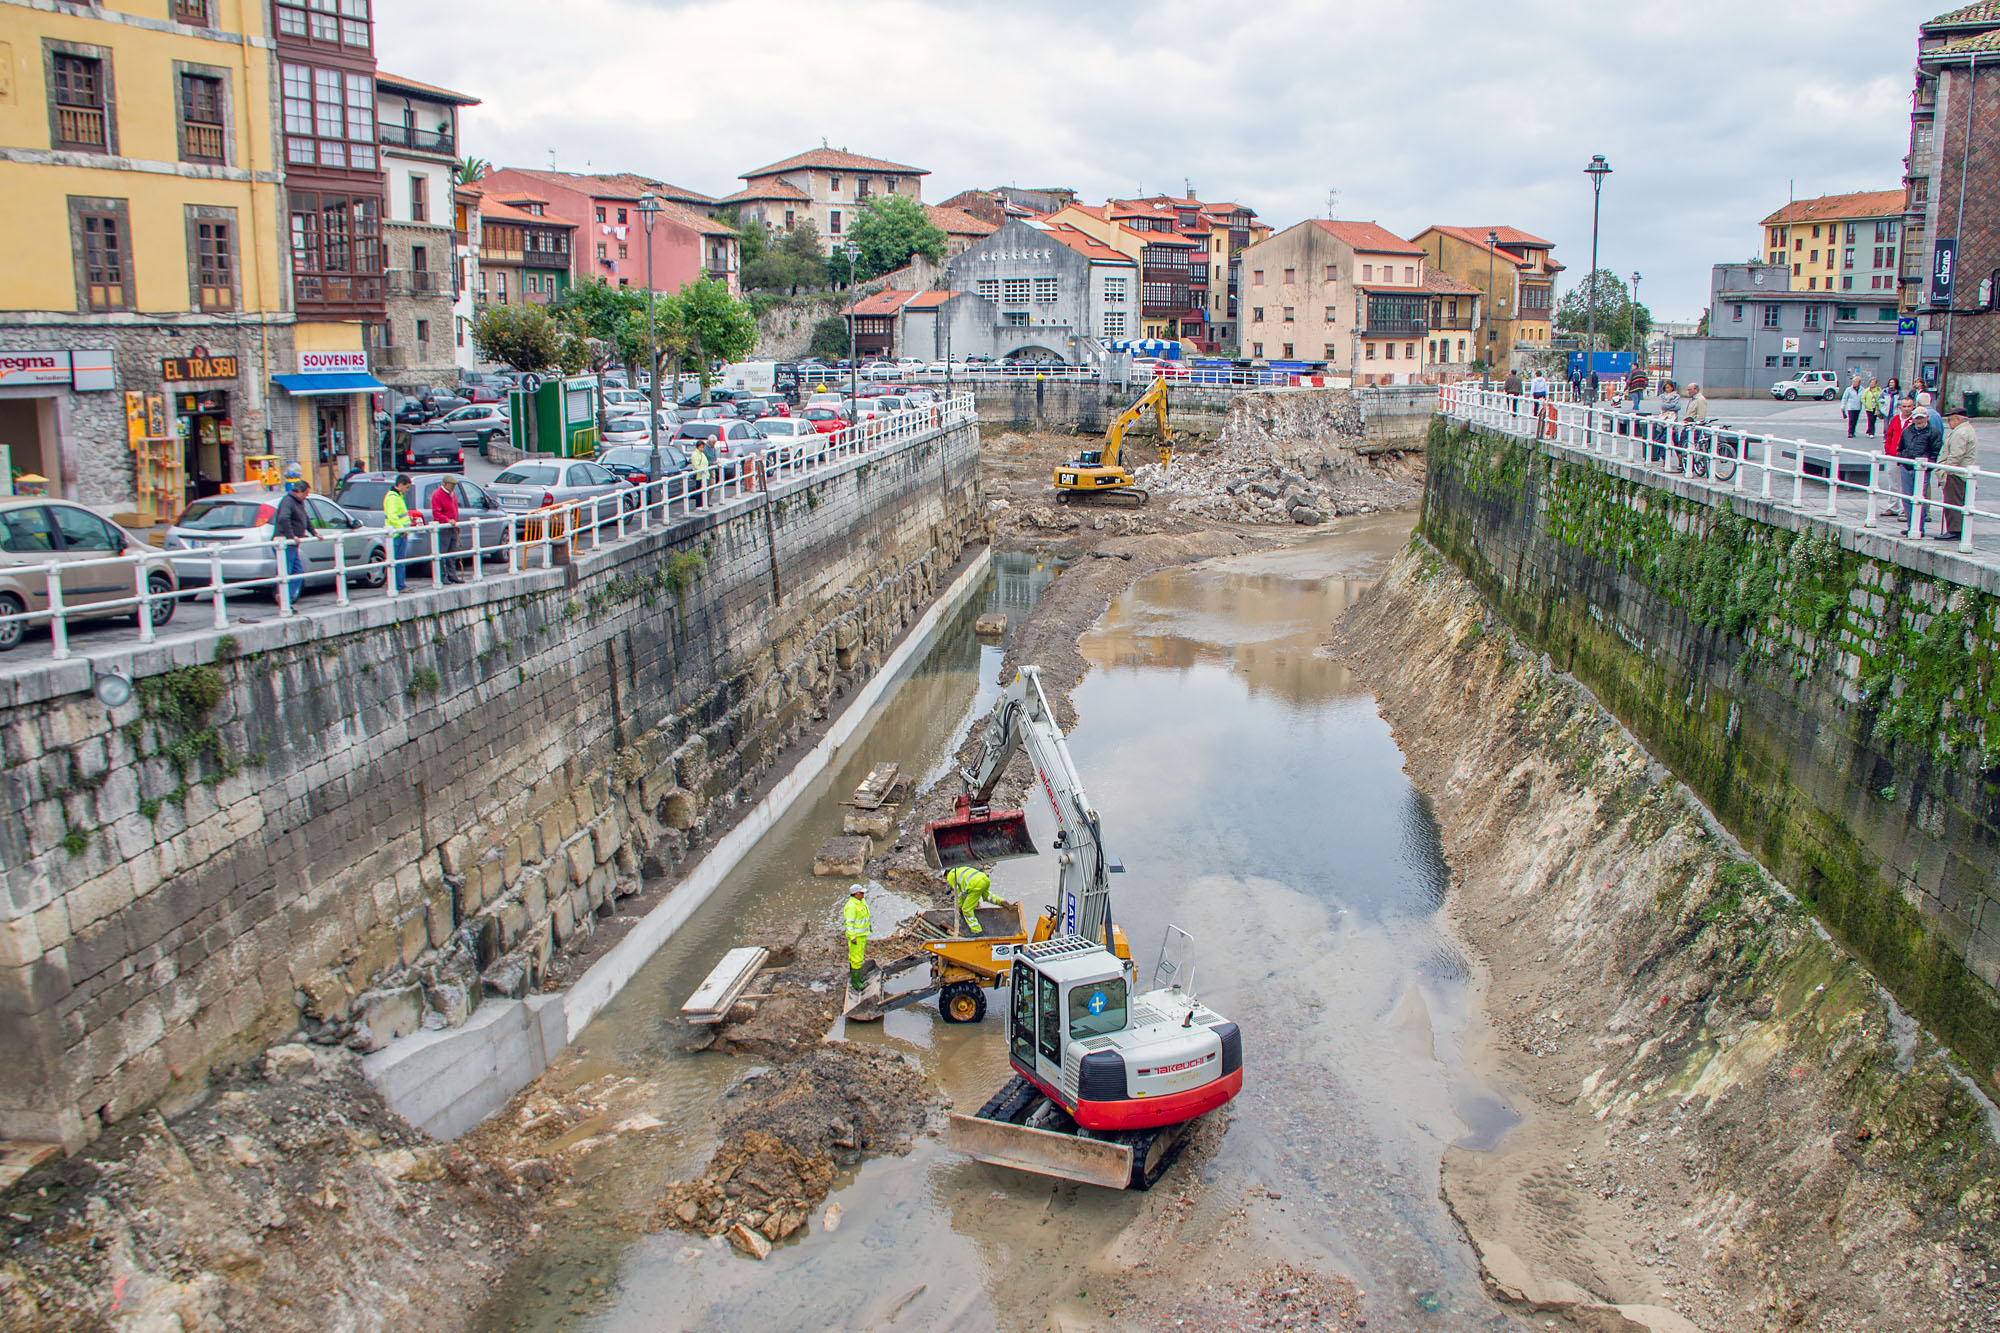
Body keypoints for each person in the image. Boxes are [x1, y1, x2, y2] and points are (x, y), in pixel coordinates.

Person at [1897, 395, 1942, 535]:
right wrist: (1902, 460)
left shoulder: (1933, 432)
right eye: (1917, 417)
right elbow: (1900, 447)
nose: (1920, 420)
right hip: (1907, 467)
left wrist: (1929, 465)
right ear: (1913, 418)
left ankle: (1919, 527)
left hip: (1922, 469)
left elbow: (1935, 450)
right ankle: (1911, 525)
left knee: (1920, 498)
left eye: (1922, 417)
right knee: (1907, 497)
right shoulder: (1907, 431)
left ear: (1927, 418)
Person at [1937, 407, 1978, 541]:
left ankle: (1955, 530)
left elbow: (1956, 455)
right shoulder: (1966, 430)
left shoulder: (1961, 432)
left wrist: (1946, 470)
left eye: (1950, 420)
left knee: (1953, 501)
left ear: (1957, 419)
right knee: (1957, 500)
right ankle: (1956, 529)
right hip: (1960, 472)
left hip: (1956, 473)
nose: (1949, 423)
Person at [273, 477, 314, 607]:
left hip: (293, 543)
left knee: (298, 571)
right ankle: (283, 598)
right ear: (299, 491)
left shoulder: (299, 502)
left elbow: (305, 518)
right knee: (287, 571)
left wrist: (314, 532)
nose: (306, 496)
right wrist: (291, 536)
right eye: (306, 493)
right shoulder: (288, 501)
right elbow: (283, 518)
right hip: (286, 542)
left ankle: (287, 598)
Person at [945, 863, 1004, 937]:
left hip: (975, 884)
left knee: (966, 909)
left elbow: (958, 893)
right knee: (987, 896)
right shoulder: (960, 869)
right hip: (984, 879)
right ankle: (1002, 902)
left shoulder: (950, 875)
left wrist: (960, 906)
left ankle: (977, 931)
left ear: (946, 873)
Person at [382, 473, 416, 591]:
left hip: (399, 533)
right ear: (400, 485)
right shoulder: (393, 498)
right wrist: (401, 528)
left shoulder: (396, 496)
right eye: (406, 487)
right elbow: (392, 516)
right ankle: (399, 585)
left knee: (397, 560)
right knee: (398, 560)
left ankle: (398, 584)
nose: (407, 490)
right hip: (397, 534)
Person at [431, 474, 464, 584]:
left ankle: (452, 575)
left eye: (454, 486)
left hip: (452, 527)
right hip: (444, 528)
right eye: (451, 485)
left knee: (452, 552)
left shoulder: (452, 494)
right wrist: (447, 520)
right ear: (444, 484)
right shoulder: (438, 495)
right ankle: (443, 576)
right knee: (443, 553)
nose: (453, 487)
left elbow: (454, 510)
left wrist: (455, 523)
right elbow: (436, 513)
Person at [1883, 394, 1910, 519]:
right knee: (1893, 481)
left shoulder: (1913, 421)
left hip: (1906, 456)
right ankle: (1893, 506)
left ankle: (1905, 508)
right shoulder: (1895, 419)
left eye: (1909, 406)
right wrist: (1888, 450)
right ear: (1900, 407)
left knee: (1906, 483)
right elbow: (1889, 435)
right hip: (1893, 454)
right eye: (1904, 406)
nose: (1906, 409)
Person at [842, 884, 871, 993]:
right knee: (856, 959)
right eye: (861, 893)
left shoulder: (860, 902)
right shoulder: (851, 906)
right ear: (855, 894)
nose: (863, 894)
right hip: (856, 937)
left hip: (862, 935)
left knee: (858, 957)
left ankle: (857, 978)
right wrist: (852, 936)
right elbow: (849, 923)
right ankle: (856, 982)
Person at [1680, 383, 1708, 472]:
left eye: (1690, 390)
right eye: (1688, 390)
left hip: (1694, 426)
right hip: (1689, 425)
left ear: (1696, 389)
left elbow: (1701, 415)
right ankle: (1687, 464)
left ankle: (1690, 465)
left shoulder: (1700, 399)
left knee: (1690, 443)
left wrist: (1694, 422)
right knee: (1684, 442)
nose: (1688, 392)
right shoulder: (1693, 399)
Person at [688, 439, 711, 509]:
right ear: (697, 447)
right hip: (699, 476)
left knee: (703, 490)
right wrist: (702, 470)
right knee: (699, 491)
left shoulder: (702, 454)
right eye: (701, 447)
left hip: (704, 475)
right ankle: (699, 505)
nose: (702, 449)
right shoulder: (695, 454)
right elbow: (695, 465)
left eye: (703, 447)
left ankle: (703, 504)